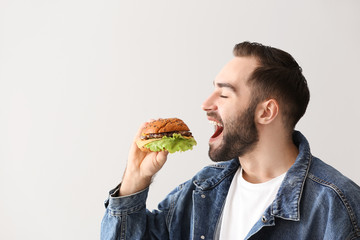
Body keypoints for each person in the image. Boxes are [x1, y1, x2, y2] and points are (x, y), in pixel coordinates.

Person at [100, 42, 360, 240]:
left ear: (266, 112)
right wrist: (134, 179)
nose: (206, 104)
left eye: (224, 94)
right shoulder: (202, 191)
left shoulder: (336, 206)